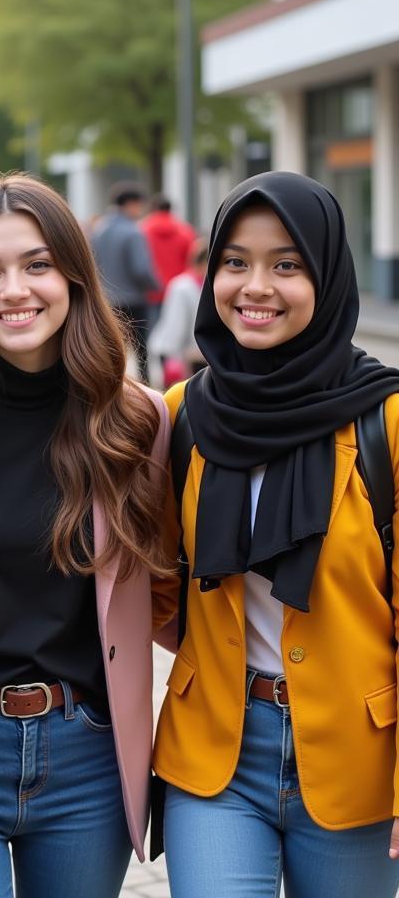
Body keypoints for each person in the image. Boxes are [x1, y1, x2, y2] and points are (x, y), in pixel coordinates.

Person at [0, 173, 174, 897]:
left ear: (75, 276)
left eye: (37, 265)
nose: (14, 289)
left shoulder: (139, 424)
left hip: (87, 756)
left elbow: (176, 586)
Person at [154, 171, 399, 898]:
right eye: (234, 261)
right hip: (216, 754)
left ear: (326, 275)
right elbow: (160, 585)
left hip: (360, 756)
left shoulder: (385, 422)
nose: (254, 285)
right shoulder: (182, 417)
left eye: (286, 265)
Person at [92, 182, 159, 383]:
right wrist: (155, 285)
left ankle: (111, 383)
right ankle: (145, 384)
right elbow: (141, 269)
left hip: (107, 299)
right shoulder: (133, 231)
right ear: (131, 204)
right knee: (141, 348)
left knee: (111, 346)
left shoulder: (99, 229)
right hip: (134, 299)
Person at [148, 238, 207, 387]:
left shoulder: (206, 286)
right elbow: (175, 328)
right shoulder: (183, 286)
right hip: (175, 354)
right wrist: (179, 359)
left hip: (194, 356)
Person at [140, 193, 195, 312]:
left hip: (151, 292)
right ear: (170, 209)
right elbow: (192, 261)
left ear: (152, 209)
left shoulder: (141, 231)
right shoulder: (185, 231)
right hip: (178, 291)